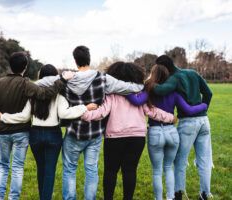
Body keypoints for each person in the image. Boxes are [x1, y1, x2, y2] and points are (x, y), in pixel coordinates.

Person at [36, 46, 144, 200]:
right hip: (94, 133)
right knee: (91, 169)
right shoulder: (103, 79)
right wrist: (142, 86)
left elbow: (43, 82)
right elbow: (126, 87)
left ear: (75, 60)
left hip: (74, 131)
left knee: (69, 169)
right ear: (89, 58)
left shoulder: (67, 79)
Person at [0, 64, 96, 200]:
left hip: (35, 135)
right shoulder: (59, 94)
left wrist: (3, 117)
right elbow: (65, 113)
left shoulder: (32, 94)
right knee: (49, 171)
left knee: (41, 169)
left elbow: (24, 116)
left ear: (40, 76)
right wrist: (85, 107)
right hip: (53, 135)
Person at [81, 62, 177, 200]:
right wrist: (171, 118)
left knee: (110, 171)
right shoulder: (139, 94)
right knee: (130, 171)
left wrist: (83, 113)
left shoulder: (112, 94)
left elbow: (101, 112)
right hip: (137, 138)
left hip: (114, 137)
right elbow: (152, 111)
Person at [0, 52, 65, 200]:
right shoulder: (26, 84)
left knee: (2, 166)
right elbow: (44, 94)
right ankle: (14, 198)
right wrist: (61, 82)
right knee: (18, 168)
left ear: (10, 65)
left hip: (5, 132)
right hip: (23, 132)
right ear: (25, 67)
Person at [127, 64, 208, 200]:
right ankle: (170, 198)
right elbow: (188, 110)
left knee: (157, 171)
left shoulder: (148, 89)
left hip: (155, 132)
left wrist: (124, 89)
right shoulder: (174, 92)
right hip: (172, 133)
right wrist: (204, 104)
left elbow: (137, 101)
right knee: (169, 167)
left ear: (152, 74)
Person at [153, 55, 213, 200]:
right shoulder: (192, 72)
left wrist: (149, 82)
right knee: (204, 160)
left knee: (179, 160)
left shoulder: (174, 78)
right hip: (204, 121)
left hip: (188, 123)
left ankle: (179, 193)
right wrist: (203, 108)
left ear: (164, 68)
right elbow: (208, 93)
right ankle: (205, 194)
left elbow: (160, 91)